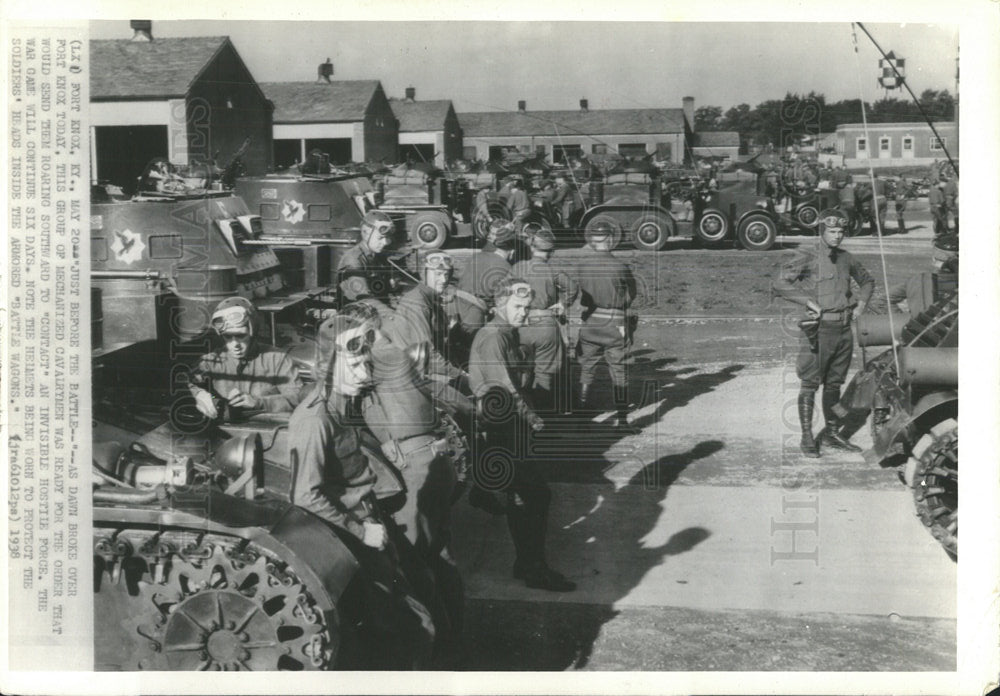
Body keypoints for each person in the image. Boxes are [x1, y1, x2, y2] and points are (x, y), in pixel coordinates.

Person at [287, 314, 436, 668]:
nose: (363, 373)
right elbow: (304, 497)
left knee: (423, 594)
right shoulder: (314, 420)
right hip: (352, 534)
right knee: (415, 628)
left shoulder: (342, 404)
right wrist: (361, 531)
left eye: (365, 363)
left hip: (371, 522)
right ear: (326, 366)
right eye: (353, 364)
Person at [339, 302, 466, 653]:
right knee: (440, 554)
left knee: (411, 564)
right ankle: (456, 636)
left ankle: (433, 650)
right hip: (435, 458)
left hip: (413, 466)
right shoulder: (396, 354)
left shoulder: (377, 356)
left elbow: (331, 385)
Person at [468, 278, 576, 592]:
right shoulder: (494, 337)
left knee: (524, 497)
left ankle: (527, 562)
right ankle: (533, 567)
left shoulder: (506, 332)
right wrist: (533, 419)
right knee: (534, 496)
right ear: (500, 304)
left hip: (509, 425)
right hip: (504, 426)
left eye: (527, 307)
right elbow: (507, 387)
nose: (524, 313)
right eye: (518, 307)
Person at [773, 208, 875, 457]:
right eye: (832, 231)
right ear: (822, 231)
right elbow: (779, 282)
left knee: (833, 385)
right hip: (820, 331)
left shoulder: (846, 258)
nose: (837, 236)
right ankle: (807, 437)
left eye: (841, 231)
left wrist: (861, 304)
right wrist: (808, 303)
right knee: (810, 384)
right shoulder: (807, 257)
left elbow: (868, 281)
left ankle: (830, 434)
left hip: (843, 330)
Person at [189, 297, 303, 421]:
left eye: (241, 336)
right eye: (228, 337)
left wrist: (258, 402)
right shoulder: (211, 361)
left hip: (267, 429)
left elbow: (298, 398)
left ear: (252, 332)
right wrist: (198, 394)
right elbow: (184, 384)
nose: (234, 344)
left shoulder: (277, 359)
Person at [573, 222, 638, 428]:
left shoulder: (582, 265)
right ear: (610, 240)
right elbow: (630, 296)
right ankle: (622, 420)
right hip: (614, 323)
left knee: (587, 369)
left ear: (592, 242)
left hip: (591, 321)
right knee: (619, 370)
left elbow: (584, 297)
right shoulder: (620, 267)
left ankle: (583, 418)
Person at [511, 228, 577, 411]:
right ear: (552, 251)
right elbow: (572, 288)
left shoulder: (517, 267)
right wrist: (563, 304)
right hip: (546, 325)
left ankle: (524, 410)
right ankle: (545, 414)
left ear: (532, 247)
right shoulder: (553, 269)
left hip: (521, 324)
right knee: (545, 373)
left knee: (522, 370)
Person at [383, 251, 466, 384]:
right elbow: (428, 353)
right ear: (424, 274)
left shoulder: (429, 298)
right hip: (412, 376)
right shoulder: (419, 303)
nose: (444, 280)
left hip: (424, 369)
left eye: (446, 274)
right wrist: (460, 375)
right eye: (438, 274)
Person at [453, 220, 515, 333]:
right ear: (512, 252)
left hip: (456, 304)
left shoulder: (477, 255)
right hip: (474, 313)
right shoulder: (506, 268)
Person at [337, 210, 397, 308]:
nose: (385, 242)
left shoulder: (376, 256)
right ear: (365, 233)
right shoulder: (353, 260)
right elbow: (364, 299)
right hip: (357, 315)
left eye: (386, 238)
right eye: (380, 238)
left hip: (376, 309)